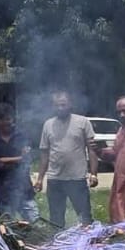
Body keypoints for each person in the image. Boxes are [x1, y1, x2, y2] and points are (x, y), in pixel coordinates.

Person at [34, 90, 98, 227]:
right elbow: (44, 153)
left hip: (77, 178)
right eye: (57, 105)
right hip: (55, 179)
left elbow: (92, 150)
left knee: (84, 216)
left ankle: (89, 244)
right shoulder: (48, 124)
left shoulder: (83, 122)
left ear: (70, 105)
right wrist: (39, 179)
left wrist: (93, 174)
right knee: (56, 219)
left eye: (63, 105)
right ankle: (58, 244)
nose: (60, 108)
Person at [0, 102, 38, 221]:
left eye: (9, 119)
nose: (7, 122)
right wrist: (19, 158)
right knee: (7, 227)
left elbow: (28, 159)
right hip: (4, 193)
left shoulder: (22, 136)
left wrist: (4, 160)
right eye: (3, 119)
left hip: (24, 189)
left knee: (35, 224)